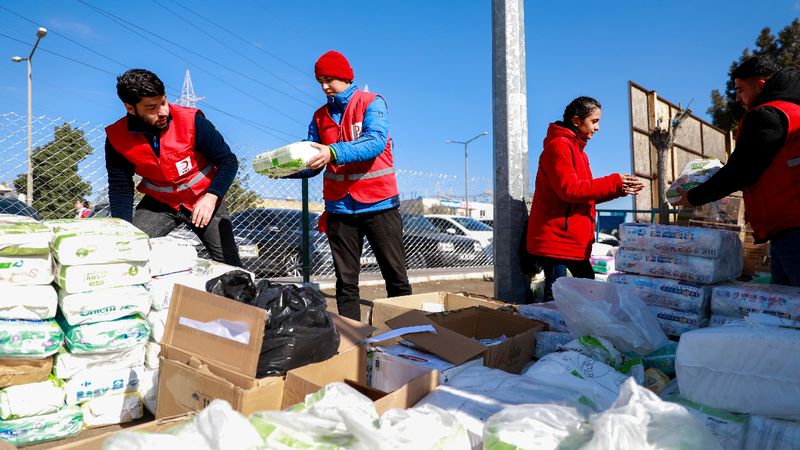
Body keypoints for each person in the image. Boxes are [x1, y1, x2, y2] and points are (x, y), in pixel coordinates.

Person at [299, 50, 412, 320]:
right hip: (340, 209)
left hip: (379, 205)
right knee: (345, 282)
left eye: (329, 79)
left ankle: (406, 332)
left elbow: (374, 142)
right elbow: (312, 157)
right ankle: (353, 338)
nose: (325, 86)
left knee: (395, 276)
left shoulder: (372, 103)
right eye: (320, 81)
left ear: (345, 77)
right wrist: (286, 170)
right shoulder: (319, 116)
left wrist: (333, 152)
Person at [673, 55, 800, 286]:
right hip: (788, 228)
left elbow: (740, 171)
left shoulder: (766, 116)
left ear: (760, 84)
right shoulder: (794, 112)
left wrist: (692, 197)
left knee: (790, 311)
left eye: (740, 89)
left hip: (793, 231)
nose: (738, 97)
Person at [105, 69, 242, 267]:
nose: (163, 111)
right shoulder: (117, 138)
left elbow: (228, 161)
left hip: (204, 198)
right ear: (130, 108)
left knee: (230, 265)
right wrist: (123, 229)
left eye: (163, 101)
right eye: (152, 107)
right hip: (160, 203)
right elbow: (120, 187)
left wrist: (212, 197)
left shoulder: (191, 121)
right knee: (128, 253)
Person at [527, 96, 643, 301]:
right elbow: (570, 190)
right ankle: (547, 332)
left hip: (573, 243)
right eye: (594, 121)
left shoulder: (579, 152)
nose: (597, 128)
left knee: (587, 293)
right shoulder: (559, 147)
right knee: (556, 300)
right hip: (557, 241)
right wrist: (614, 181)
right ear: (576, 120)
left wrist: (619, 188)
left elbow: (584, 195)